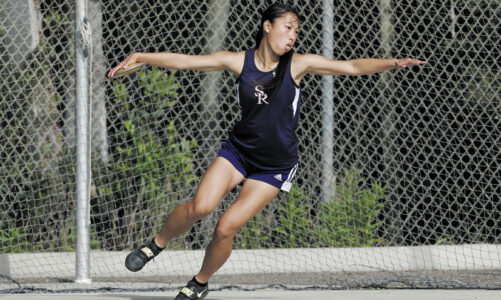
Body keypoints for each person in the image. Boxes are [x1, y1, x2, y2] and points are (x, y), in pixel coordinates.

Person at [108, 3, 426, 299]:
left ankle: (199, 283)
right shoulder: (239, 61)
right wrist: (141, 56)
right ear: (267, 27)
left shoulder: (299, 64)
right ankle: (156, 244)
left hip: (273, 165)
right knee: (200, 208)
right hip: (239, 151)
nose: (292, 35)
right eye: (287, 27)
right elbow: (188, 61)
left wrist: (392, 63)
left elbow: (352, 67)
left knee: (225, 227)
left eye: (296, 31)